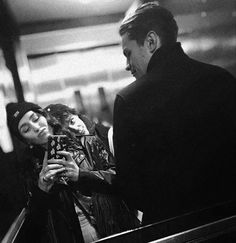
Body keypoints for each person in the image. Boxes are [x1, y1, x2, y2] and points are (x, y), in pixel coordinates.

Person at [113, 2, 236, 226]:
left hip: (171, 229)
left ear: (151, 41)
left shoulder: (128, 100)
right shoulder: (221, 79)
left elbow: (131, 191)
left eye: (128, 54)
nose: (127, 65)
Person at [6, 102, 139, 243]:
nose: (36, 127)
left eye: (35, 118)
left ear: (45, 116)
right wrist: (42, 190)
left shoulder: (88, 142)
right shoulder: (31, 174)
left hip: (116, 229)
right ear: (27, 142)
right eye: (26, 129)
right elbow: (34, 227)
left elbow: (122, 180)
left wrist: (81, 175)